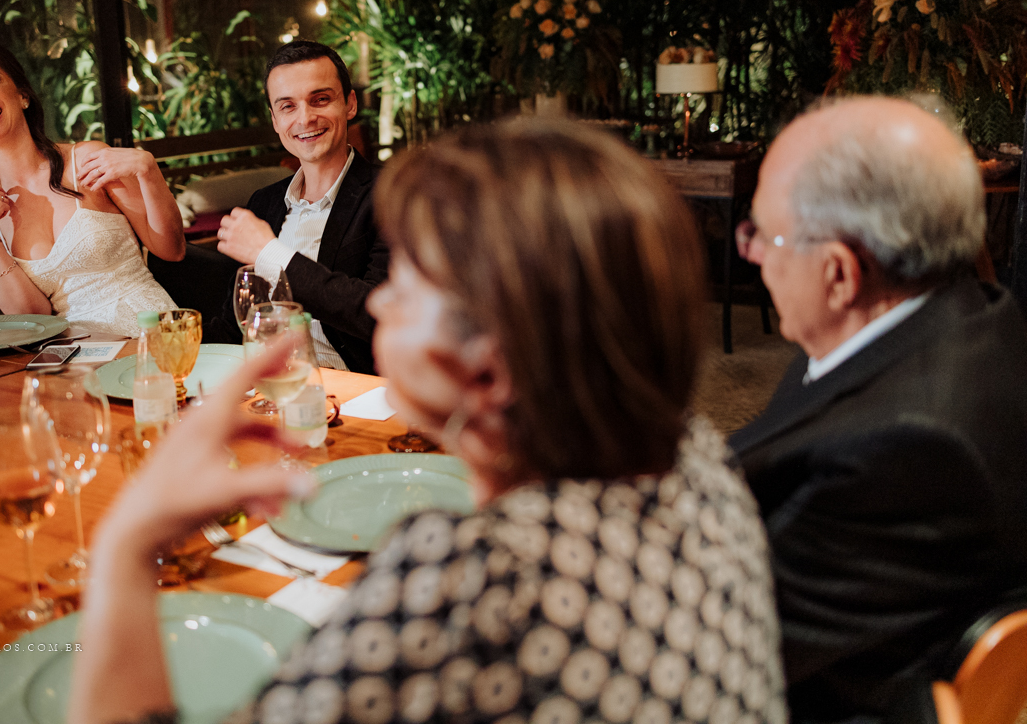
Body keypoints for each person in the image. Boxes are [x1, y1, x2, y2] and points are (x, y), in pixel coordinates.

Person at [69, 119, 787, 724]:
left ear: (492, 367)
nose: (379, 304)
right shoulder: (695, 452)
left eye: (407, 285)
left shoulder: (465, 576)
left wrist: (128, 545)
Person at [730, 96, 1027, 720]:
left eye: (762, 233)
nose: (752, 252)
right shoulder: (977, 315)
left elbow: (730, 642)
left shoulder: (907, 451)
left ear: (839, 274)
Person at [0, 39, 185, 336]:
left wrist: (148, 170)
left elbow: (172, 249)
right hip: (75, 355)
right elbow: (32, 319)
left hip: (150, 336)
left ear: (23, 96)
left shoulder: (86, 161)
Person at [212, 40, 388, 373]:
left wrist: (270, 254)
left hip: (354, 389)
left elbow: (378, 316)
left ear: (350, 104)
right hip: (265, 384)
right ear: (275, 119)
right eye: (288, 106)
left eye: (320, 99)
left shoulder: (391, 195)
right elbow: (233, 323)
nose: (305, 118)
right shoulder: (263, 203)